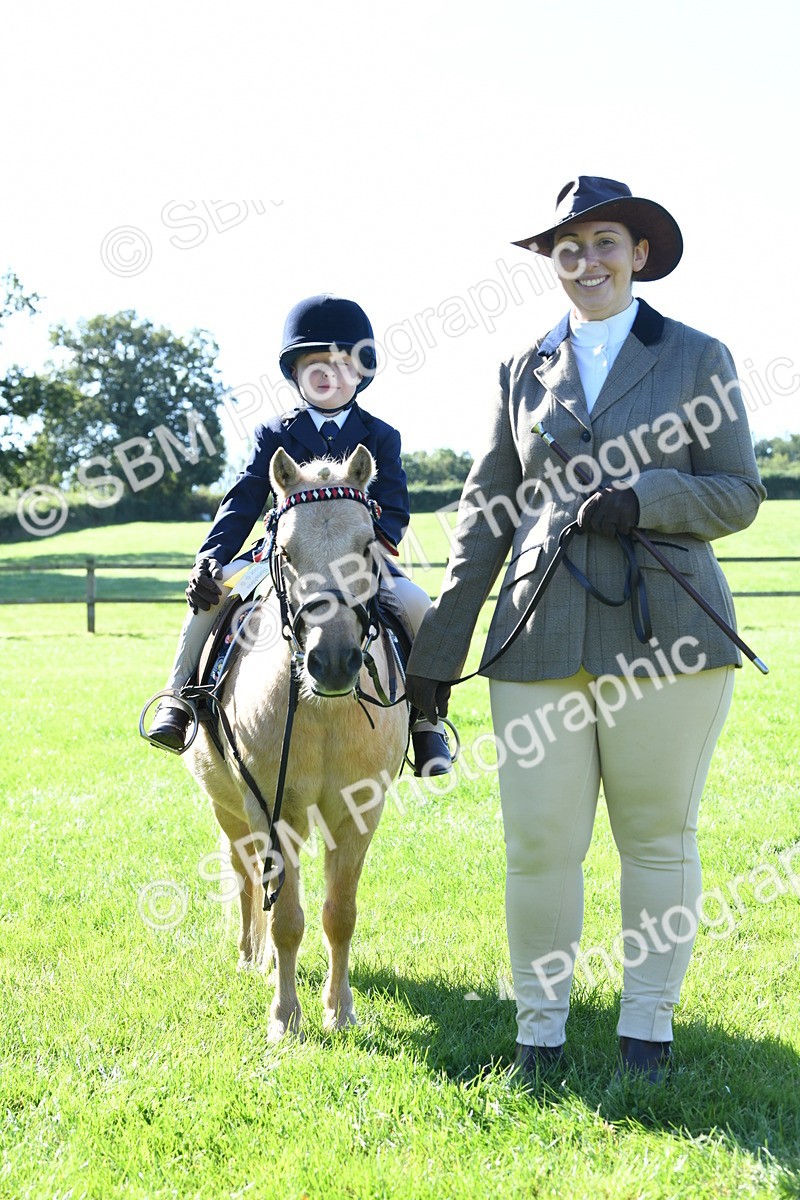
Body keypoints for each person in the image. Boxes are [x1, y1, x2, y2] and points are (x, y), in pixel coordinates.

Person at [405, 177, 765, 1083]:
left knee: (656, 837)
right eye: (567, 249)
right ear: (552, 264)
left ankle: (647, 1032)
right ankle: (540, 1035)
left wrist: (646, 498)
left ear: (639, 254)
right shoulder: (521, 368)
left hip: (670, 628)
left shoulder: (697, 356)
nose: (586, 261)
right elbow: (485, 515)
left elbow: (739, 494)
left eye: (604, 242)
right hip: (538, 631)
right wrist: (438, 654)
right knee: (537, 844)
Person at [148, 293, 452, 776]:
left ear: (360, 372)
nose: (328, 375)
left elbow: (394, 510)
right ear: (296, 374)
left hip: (359, 557)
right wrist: (211, 558)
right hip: (283, 553)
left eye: (340, 364)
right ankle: (180, 694)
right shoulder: (274, 433)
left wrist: (364, 536)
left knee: (419, 607)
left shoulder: (382, 435)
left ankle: (426, 723)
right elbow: (244, 498)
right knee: (210, 596)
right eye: (315, 365)